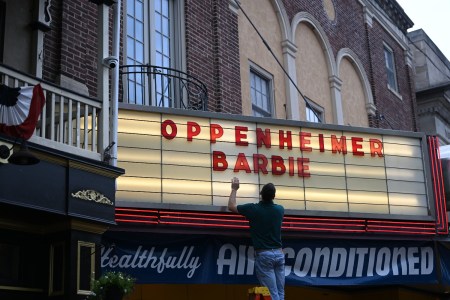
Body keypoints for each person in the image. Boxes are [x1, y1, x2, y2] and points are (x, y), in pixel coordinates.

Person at [228, 177, 285, 300]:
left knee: (272, 294)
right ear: (274, 196)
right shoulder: (280, 210)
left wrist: (234, 189)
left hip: (264, 255)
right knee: (280, 293)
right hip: (279, 254)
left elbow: (231, 206)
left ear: (261, 194)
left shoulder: (254, 209)